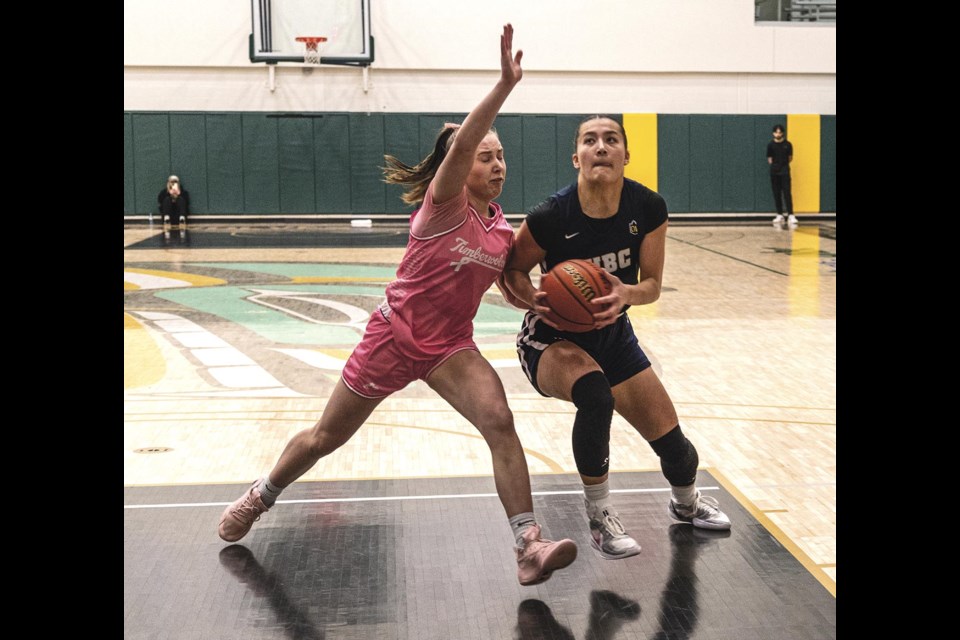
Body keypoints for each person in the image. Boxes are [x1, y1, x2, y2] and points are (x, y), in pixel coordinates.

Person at [218, 24, 578, 587]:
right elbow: (460, 146)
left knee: (499, 421)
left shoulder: (499, 228)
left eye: (501, 156)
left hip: (450, 349)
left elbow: (509, 285)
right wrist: (505, 85)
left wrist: (536, 299)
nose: (497, 164)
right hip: (392, 337)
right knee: (325, 439)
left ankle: (529, 544)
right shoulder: (442, 208)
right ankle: (261, 495)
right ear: (459, 167)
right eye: (485, 157)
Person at [502, 115, 731, 562]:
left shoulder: (647, 207)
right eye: (590, 140)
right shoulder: (551, 216)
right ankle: (600, 516)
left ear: (626, 155)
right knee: (595, 394)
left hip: (614, 335)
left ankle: (686, 504)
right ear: (577, 158)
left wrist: (627, 292)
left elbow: (653, 285)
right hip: (551, 338)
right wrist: (532, 296)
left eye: (611, 140)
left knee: (677, 452)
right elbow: (511, 270)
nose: (601, 147)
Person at [767, 124, 796, 228]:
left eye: (780, 132)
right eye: (776, 132)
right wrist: (775, 166)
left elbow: (790, 158)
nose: (778, 134)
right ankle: (779, 214)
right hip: (774, 173)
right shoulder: (770, 145)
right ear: (773, 133)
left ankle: (791, 215)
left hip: (784, 172)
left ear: (782, 133)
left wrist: (782, 166)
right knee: (776, 193)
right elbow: (769, 159)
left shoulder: (788, 144)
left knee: (787, 193)